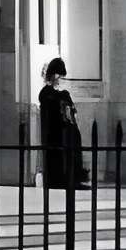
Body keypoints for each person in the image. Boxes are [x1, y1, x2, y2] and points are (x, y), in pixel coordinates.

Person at [39, 56, 90, 191]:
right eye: (59, 76)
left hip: (61, 130)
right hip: (54, 131)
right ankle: (62, 179)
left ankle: (72, 177)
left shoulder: (57, 93)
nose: (60, 79)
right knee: (57, 154)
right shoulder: (47, 92)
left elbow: (70, 112)